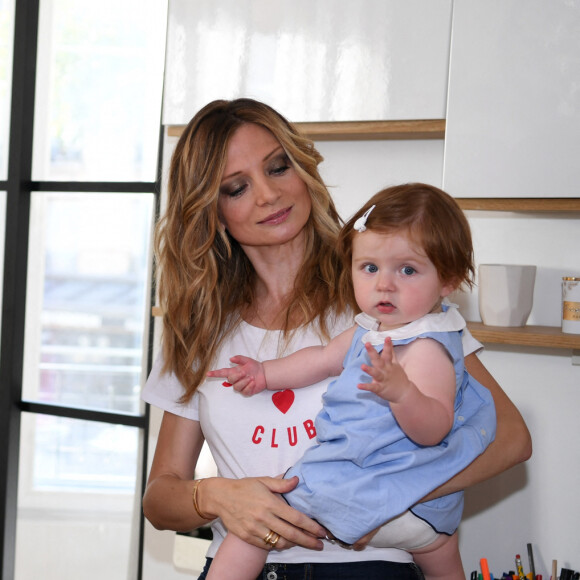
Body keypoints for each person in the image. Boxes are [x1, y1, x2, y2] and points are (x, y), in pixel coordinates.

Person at [141, 98, 531, 580]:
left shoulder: (384, 297)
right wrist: (219, 495)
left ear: (303, 168)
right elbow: (160, 499)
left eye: (278, 167)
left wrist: (378, 497)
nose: (267, 194)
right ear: (213, 212)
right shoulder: (200, 328)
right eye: (237, 187)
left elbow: (511, 440)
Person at [206, 183, 496, 580]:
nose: (384, 284)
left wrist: (403, 393)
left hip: (376, 491)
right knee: (443, 554)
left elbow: (435, 428)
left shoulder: (426, 347)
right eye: (370, 267)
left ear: (447, 281)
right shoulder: (369, 330)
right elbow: (322, 361)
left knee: (259, 524)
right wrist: (265, 373)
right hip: (424, 518)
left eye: (407, 270)